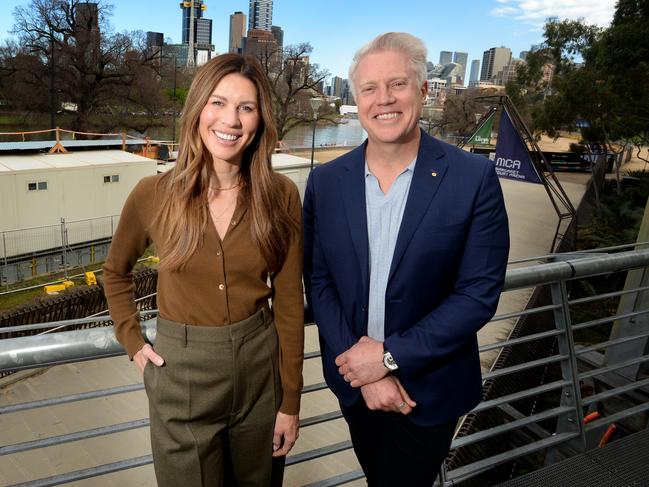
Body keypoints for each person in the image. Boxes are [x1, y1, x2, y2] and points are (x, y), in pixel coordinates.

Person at [303, 33, 509, 486]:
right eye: (370, 89)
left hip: (429, 389)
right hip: (355, 384)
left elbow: (477, 295)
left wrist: (389, 359)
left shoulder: (473, 178)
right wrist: (362, 369)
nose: (384, 100)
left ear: (422, 90)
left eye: (397, 84)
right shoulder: (327, 182)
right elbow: (318, 282)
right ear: (355, 98)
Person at [103, 53, 304, 487]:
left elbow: (289, 301)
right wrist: (133, 342)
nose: (230, 119)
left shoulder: (281, 196)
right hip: (181, 372)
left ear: (259, 121)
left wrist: (290, 400)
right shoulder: (152, 194)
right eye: (218, 102)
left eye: (246, 107)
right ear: (197, 109)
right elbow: (115, 272)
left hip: (259, 370)